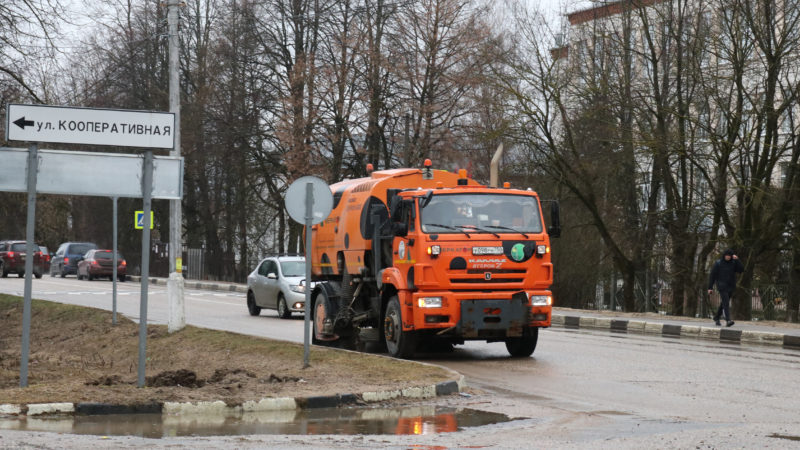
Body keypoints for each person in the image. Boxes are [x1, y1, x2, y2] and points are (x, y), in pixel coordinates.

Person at [707, 248, 744, 327]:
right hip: (721, 285)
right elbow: (712, 276)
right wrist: (710, 287)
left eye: (729, 256)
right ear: (724, 255)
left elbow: (741, 270)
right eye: (726, 255)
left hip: (730, 286)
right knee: (726, 302)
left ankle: (717, 317)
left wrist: (737, 260)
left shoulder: (733, 263)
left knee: (723, 303)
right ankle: (728, 320)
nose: (728, 257)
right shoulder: (718, 263)